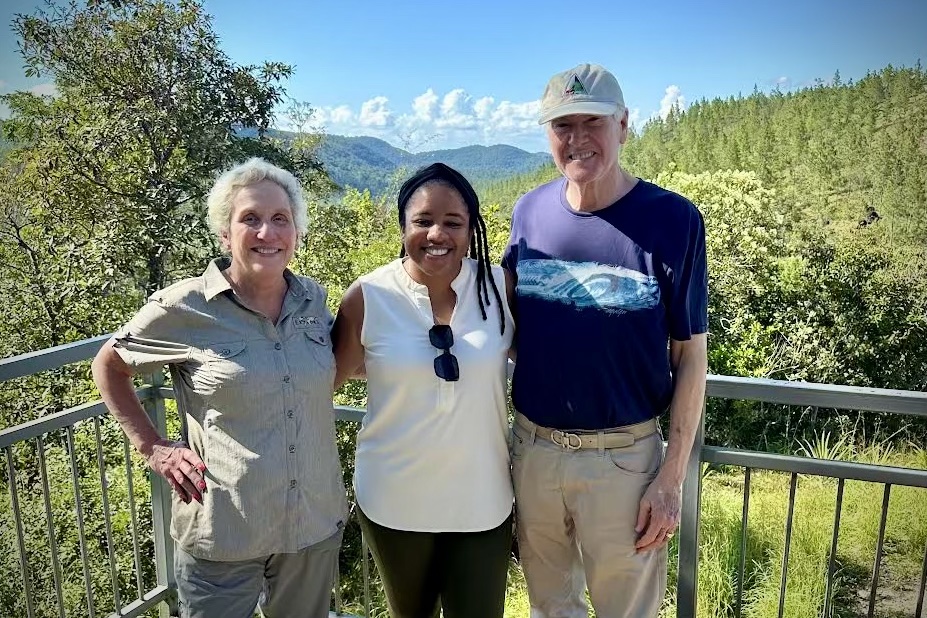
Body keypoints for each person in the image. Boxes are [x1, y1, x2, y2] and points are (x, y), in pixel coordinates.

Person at [91, 158, 348, 618]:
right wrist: (155, 448)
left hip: (310, 527)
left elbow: (344, 360)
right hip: (223, 531)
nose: (266, 232)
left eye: (279, 220)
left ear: (295, 234)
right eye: (250, 218)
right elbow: (109, 366)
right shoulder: (183, 307)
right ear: (225, 233)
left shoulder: (314, 300)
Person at [502, 63, 709, 617]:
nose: (577, 139)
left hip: (624, 463)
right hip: (534, 453)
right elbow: (509, 324)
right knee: (550, 608)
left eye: (591, 121)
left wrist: (670, 479)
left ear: (624, 125)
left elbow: (691, 357)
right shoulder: (529, 213)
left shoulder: (673, 220)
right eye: (562, 126)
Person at [332, 162, 515, 618]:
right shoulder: (367, 296)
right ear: (402, 226)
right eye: (423, 221)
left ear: (472, 229)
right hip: (393, 500)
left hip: (484, 500)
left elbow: (542, 368)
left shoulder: (499, 288)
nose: (437, 234)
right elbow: (319, 383)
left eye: (453, 222)